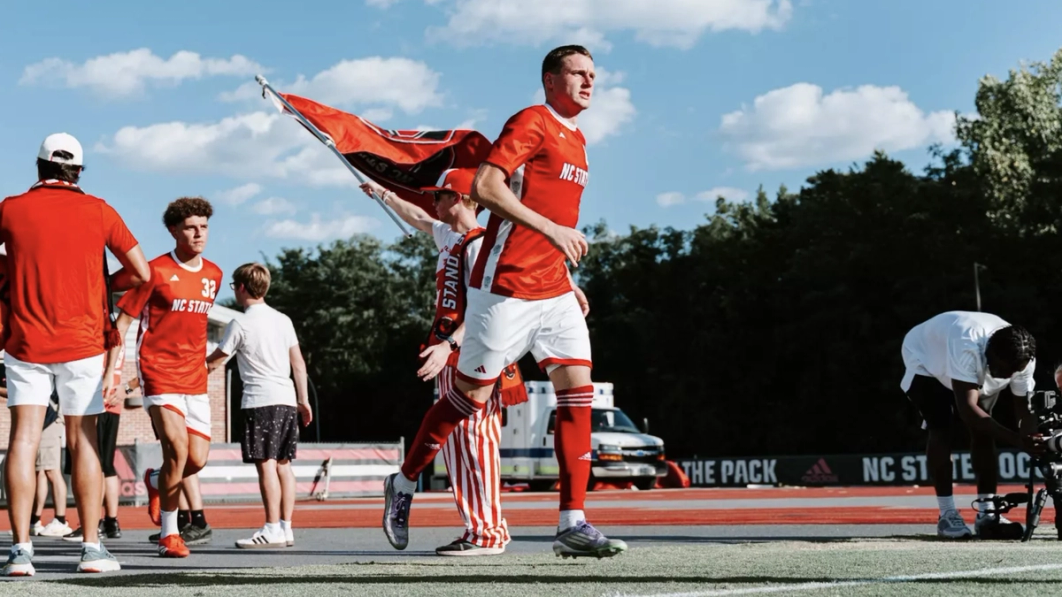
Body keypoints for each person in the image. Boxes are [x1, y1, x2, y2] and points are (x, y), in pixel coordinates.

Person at [381, 45, 626, 559]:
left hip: (553, 289)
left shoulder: (579, 142)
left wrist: (563, 272)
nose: (589, 82)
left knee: (577, 391)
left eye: (594, 75)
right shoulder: (532, 120)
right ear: (550, 80)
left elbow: (548, 216)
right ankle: (403, 483)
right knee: (467, 399)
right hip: (505, 286)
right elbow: (487, 185)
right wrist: (551, 230)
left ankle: (572, 522)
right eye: (578, 73)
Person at [361, 169, 533, 555]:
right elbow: (418, 217)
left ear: (456, 197)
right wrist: (382, 194)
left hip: (473, 351)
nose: (432, 203)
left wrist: (447, 344)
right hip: (457, 353)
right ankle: (479, 527)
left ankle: (488, 531)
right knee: (458, 445)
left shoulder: (481, 245)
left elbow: (489, 307)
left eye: (438, 195)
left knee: (475, 441)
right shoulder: (449, 237)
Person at [0, 132, 150, 576]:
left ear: (39, 167)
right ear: (78, 172)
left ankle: (21, 551)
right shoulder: (99, 209)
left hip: (25, 340)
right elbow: (142, 272)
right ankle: (90, 548)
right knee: (81, 438)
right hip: (83, 341)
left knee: (23, 439)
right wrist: (102, 286)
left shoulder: (9, 207)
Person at [110, 197, 222, 558]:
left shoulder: (214, 275)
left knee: (197, 460)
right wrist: (115, 372)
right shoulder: (153, 271)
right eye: (191, 227)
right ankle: (169, 535)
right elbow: (123, 322)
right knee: (176, 450)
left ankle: (156, 481)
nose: (198, 233)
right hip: (158, 371)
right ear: (174, 231)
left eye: (203, 227)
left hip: (196, 376)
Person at [900, 311, 1043, 539]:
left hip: (971, 362)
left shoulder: (1023, 360)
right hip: (926, 359)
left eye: (1012, 373)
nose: (1006, 376)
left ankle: (987, 513)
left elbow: (1024, 410)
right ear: (990, 353)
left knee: (984, 431)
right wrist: (1018, 442)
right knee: (942, 428)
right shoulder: (967, 345)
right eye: (1004, 369)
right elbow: (967, 411)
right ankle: (947, 514)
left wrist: (1033, 440)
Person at [206, 263, 312, 549]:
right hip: (286, 398)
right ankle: (286, 528)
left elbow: (218, 359)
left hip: (260, 401)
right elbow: (298, 364)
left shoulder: (240, 323)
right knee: (283, 465)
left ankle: (271, 527)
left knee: (265, 465)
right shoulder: (283, 320)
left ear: (241, 288)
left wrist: (192, 369)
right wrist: (303, 400)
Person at [31, 400, 73, 538]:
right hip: (42, 418)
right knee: (40, 470)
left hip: (51, 417)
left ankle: (60, 520)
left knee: (52, 470)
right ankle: (34, 521)